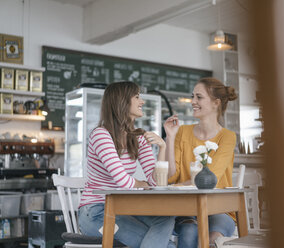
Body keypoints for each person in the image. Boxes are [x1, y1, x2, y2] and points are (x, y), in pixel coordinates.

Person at [78, 81, 175, 248]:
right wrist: (140, 183)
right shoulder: (101, 135)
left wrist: (162, 147)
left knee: (167, 217)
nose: (142, 102)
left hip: (123, 207)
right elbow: (122, 181)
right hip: (96, 212)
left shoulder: (138, 137)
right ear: (122, 101)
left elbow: (155, 182)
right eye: (137, 97)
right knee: (168, 246)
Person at [164, 77, 238, 248]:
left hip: (219, 209)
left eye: (199, 97)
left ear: (216, 103)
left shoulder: (227, 137)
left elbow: (208, 180)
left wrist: (176, 187)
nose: (193, 102)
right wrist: (170, 137)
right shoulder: (181, 131)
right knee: (189, 232)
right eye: (192, 96)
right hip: (186, 209)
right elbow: (170, 176)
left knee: (210, 239)